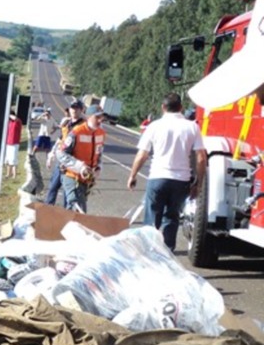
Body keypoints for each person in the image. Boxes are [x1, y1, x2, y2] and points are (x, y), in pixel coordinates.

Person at [126, 92, 207, 251]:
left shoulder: (154, 126)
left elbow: (142, 154)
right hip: (181, 180)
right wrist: (198, 182)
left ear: (163, 107)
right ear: (181, 108)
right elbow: (201, 157)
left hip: (158, 177)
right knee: (172, 217)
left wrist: (133, 175)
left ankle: (148, 252)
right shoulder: (192, 127)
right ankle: (168, 252)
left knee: (151, 218)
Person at [53, 104, 107, 213]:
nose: (100, 120)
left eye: (102, 117)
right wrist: (80, 166)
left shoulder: (101, 133)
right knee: (78, 211)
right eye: (97, 117)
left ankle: (59, 228)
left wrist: (98, 167)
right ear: (88, 117)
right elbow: (60, 153)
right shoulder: (76, 132)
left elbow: (99, 153)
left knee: (71, 212)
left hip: (86, 181)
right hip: (72, 177)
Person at [44, 100, 85, 205]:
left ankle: (66, 215)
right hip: (61, 159)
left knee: (68, 192)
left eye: (77, 108)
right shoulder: (66, 123)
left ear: (81, 110)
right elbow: (61, 139)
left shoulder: (84, 126)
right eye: (72, 108)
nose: (74, 110)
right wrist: (51, 155)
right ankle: (47, 210)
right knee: (53, 187)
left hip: (72, 162)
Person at [4, 110, 23, 178]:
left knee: (13, 160)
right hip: (8, 143)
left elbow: (15, 118)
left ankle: (14, 175)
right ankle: (8, 174)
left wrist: (8, 114)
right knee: (8, 159)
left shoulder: (18, 121)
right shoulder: (9, 122)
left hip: (14, 143)